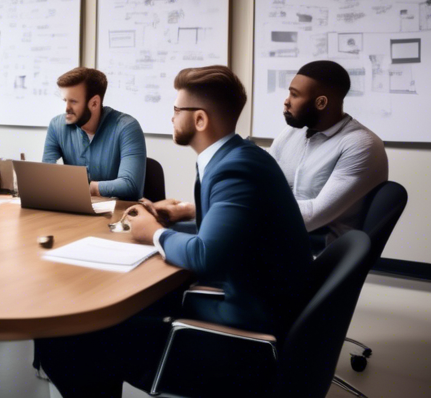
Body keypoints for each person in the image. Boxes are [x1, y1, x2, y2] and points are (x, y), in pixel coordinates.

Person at [35, 66, 313, 397]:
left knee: (66, 339)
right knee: (110, 319)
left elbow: (205, 256)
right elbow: (236, 232)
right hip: (251, 306)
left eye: (177, 110)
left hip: (242, 338)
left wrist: (152, 232)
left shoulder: (234, 169)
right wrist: (176, 217)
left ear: (199, 121)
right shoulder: (238, 156)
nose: (171, 118)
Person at [271, 60, 388, 241]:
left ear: (321, 102)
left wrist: (250, 206)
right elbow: (262, 179)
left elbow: (313, 217)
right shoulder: (292, 132)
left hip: (322, 249)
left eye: (294, 95)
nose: (286, 101)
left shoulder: (361, 144)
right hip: (282, 236)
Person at [41, 67, 146, 200]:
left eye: (73, 101)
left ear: (94, 103)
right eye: (65, 100)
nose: (66, 108)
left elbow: (130, 186)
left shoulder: (127, 128)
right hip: (75, 210)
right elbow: (45, 177)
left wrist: (86, 188)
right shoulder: (57, 125)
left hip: (117, 214)